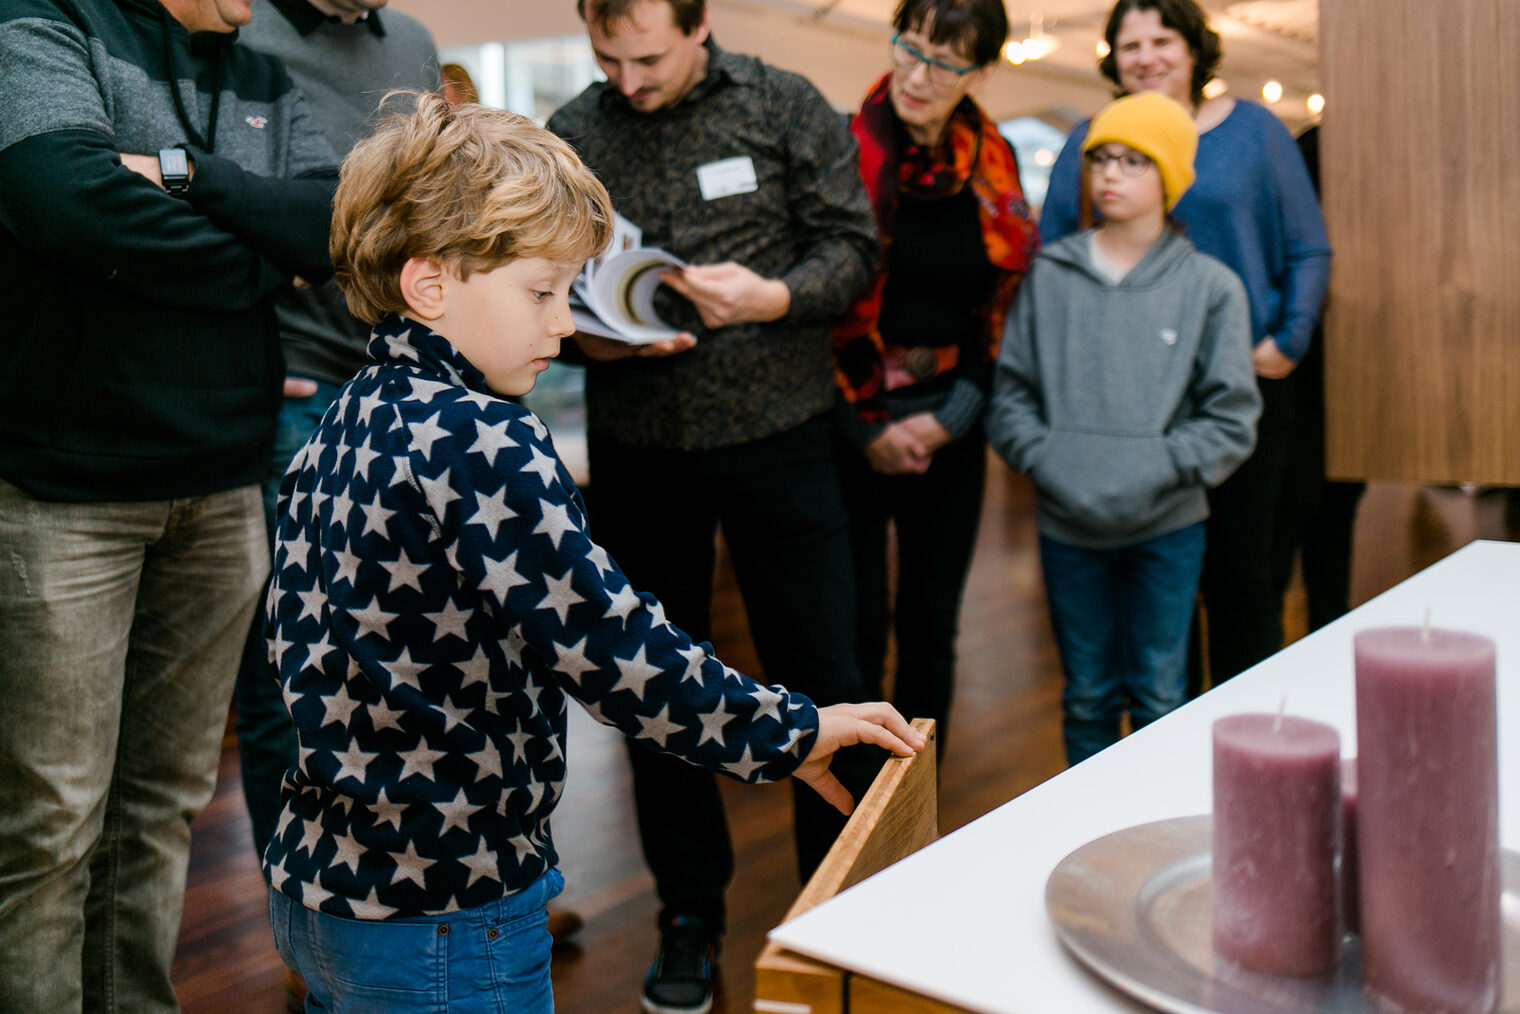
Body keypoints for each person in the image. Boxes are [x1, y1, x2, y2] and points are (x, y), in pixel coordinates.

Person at [260, 93, 927, 1014]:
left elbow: (288, 645)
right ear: (430, 285)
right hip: (449, 906)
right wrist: (786, 730)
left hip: (319, 888)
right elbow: (610, 647)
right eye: (541, 291)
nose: (565, 324)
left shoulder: (341, 419)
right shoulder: (482, 438)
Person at [0, 0, 339, 1009]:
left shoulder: (265, 62)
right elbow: (68, 204)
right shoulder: (40, 23)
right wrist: (261, 258)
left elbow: (331, 223)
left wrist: (193, 182)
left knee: (162, 809)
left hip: (225, 480)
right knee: (51, 823)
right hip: (66, 493)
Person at [545, 2, 880, 1010]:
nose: (627, 78)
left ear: (698, 28)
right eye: (607, 57)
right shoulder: (573, 133)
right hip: (640, 451)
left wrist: (773, 296)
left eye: (645, 57)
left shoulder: (781, 105)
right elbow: (541, 286)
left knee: (824, 676)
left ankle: (840, 914)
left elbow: (853, 248)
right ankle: (687, 917)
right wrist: (580, 338)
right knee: (655, 695)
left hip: (781, 440)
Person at [1039, 0, 1330, 688]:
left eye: (1161, 39)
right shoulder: (1092, 139)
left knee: (1241, 581)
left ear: (1194, 48)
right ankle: (1172, 756)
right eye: (1129, 43)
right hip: (1131, 409)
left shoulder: (1253, 132)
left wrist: (1288, 341)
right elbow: (1052, 256)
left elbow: (1308, 246)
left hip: (1242, 390)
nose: (1145, 56)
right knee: (1154, 594)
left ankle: (1246, 755)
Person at [986, 92, 1260, 765]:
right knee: (1086, 697)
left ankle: (1154, 843)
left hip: (1167, 532)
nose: (1109, 173)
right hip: (1066, 530)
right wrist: (1053, 462)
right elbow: (1010, 399)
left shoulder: (1210, 286)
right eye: (1101, 159)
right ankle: (1087, 846)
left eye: (1133, 161)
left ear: (1168, 176)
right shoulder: (1050, 277)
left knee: (1162, 695)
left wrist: (1157, 466)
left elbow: (1231, 416)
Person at [234, 0, 440, 876]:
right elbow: (232, 208)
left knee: (422, 654)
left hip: (410, 387)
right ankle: (310, 905)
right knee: (294, 674)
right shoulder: (242, 34)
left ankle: (430, 889)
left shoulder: (412, 41)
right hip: (300, 392)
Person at [832, 0, 1040, 754]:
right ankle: (856, 826)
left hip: (953, 416)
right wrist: (869, 429)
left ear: (980, 72)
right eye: (909, 49)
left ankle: (916, 805)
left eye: (945, 62)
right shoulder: (840, 150)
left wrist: (951, 417)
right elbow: (817, 304)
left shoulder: (994, 162)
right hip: (850, 421)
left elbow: (1001, 308)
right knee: (854, 633)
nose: (918, 75)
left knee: (930, 628)